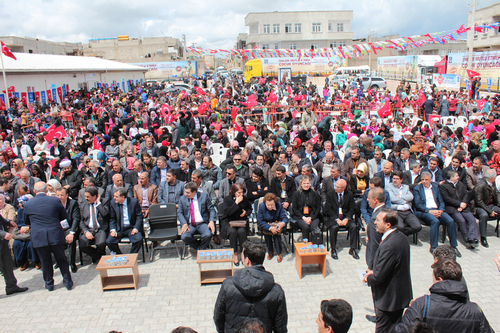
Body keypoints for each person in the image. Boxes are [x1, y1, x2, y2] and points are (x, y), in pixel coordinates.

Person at [394, 259, 493, 333]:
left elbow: (401, 330)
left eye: (433, 278)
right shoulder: (474, 310)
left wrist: (411, 309)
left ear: (440, 279)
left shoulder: (422, 305)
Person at [213, 241, 287, 333]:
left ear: (247, 260)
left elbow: (218, 316)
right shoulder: (276, 291)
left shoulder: (228, 285)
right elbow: (280, 326)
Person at [363, 209, 412, 332]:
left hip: (389, 300)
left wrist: (368, 277)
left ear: (388, 225)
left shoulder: (389, 245)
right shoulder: (401, 237)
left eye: (378, 220)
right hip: (398, 296)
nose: (375, 223)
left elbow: (378, 277)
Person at [23, 181, 73, 291]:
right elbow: (63, 216)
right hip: (54, 233)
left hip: (38, 236)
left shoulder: (27, 204)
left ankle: (49, 284)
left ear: (34, 191)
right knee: (61, 259)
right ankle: (67, 282)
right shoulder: (55, 200)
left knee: (45, 262)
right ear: (46, 190)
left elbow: (26, 221)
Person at [414, 172, 460, 256]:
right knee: (435, 221)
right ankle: (434, 246)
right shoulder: (417, 188)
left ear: (430, 180)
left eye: (426, 180)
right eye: (423, 180)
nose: (424, 181)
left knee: (450, 221)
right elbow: (418, 204)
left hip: (437, 210)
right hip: (425, 211)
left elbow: (441, 201)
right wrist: (430, 211)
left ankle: (453, 246)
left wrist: (441, 210)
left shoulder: (435, 187)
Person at [439, 170, 478, 249]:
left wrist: (463, 204)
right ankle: (467, 239)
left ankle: (472, 238)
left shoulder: (460, 184)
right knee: (461, 221)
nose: (458, 177)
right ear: (452, 177)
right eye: (457, 176)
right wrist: (459, 204)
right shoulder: (443, 186)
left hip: (463, 206)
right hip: (452, 208)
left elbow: (466, 194)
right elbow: (447, 199)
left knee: (471, 219)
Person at [323, 179, 358, 260]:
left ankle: (353, 249)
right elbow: (328, 209)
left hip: (345, 217)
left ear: (344, 188)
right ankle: (334, 249)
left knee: (354, 227)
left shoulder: (349, 194)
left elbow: (352, 208)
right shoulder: (330, 194)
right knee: (334, 228)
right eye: (335, 186)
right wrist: (336, 219)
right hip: (334, 218)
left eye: (337, 187)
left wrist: (347, 218)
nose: (335, 188)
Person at [178, 182, 216, 250]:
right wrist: (184, 223)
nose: (185, 194)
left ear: (194, 192)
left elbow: (212, 210)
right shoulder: (182, 199)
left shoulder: (204, 197)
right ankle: (201, 248)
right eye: (185, 192)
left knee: (208, 235)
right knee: (184, 237)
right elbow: (179, 213)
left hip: (202, 223)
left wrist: (211, 221)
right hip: (189, 224)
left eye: (188, 192)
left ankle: (201, 250)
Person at [220, 183, 252, 266]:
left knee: (241, 232)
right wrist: (236, 203)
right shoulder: (227, 199)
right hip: (229, 221)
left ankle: (242, 252)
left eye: (242, 192)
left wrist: (246, 212)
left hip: (240, 221)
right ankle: (234, 253)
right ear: (234, 192)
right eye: (239, 193)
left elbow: (249, 208)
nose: (241, 194)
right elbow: (227, 213)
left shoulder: (244, 199)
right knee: (232, 232)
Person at [106, 187, 144, 254]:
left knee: (138, 239)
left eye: (116, 196)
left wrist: (136, 228)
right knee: (109, 241)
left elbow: (139, 217)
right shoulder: (113, 203)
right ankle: (120, 256)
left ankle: (132, 256)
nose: (114, 198)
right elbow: (112, 218)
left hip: (131, 228)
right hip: (119, 228)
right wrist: (113, 229)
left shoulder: (133, 202)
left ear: (122, 197)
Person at [386, 170, 422, 237]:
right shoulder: (389, 186)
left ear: (401, 180)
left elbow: (411, 197)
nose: (395, 180)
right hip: (396, 211)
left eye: (397, 179)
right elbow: (392, 198)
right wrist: (405, 202)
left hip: (407, 212)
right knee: (400, 227)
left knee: (418, 227)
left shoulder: (406, 187)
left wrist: (400, 196)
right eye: (394, 178)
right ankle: (401, 237)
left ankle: (403, 235)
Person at [0, 212, 29, 295]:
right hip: (2, 237)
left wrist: (7, 222)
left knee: (7, 265)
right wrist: (2, 234)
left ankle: (11, 286)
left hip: (2, 243)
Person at [79, 187, 109, 263]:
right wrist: (86, 231)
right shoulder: (83, 205)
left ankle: (99, 257)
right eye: (85, 196)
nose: (86, 198)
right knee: (83, 246)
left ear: (95, 196)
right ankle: (99, 256)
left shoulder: (104, 202)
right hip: (89, 229)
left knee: (101, 243)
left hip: (100, 229)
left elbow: (105, 214)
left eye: (88, 197)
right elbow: (81, 221)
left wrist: (98, 203)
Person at [257, 192, 288, 263]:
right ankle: (270, 251)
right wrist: (270, 228)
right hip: (266, 225)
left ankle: (279, 252)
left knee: (276, 233)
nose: (270, 207)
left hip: (276, 224)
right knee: (268, 234)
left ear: (275, 203)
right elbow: (259, 220)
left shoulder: (279, 205)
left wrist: (282, 223)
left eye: (272, 205)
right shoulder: (261, 206)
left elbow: (284, 218)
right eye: (268, 205)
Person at [473, 169, 500, 248]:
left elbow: (497, 194)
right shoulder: (480, 185)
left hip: (491, 205)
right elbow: (479, 201)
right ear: (492, 178)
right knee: (484, 215)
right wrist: (490, 211)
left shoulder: (492, 183)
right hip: (480, 207)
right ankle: (483, 237)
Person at [56, 187, 80, 273]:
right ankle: (60, 260)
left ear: (66, 195)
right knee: (53, 240)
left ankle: (72, 263)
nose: (59, 197)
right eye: (58, 195)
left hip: (69, 227)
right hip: (58, 228)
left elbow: (76, 218)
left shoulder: (73, 203)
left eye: (61, 195)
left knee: (71, 240)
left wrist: (72, 232)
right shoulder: (55, 203)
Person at [365, 188, 389, 271]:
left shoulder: (374, 219)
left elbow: (374, 244)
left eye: (369, 198)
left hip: (378, 261)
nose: (367, 200)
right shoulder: (388, 211)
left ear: (375, 200)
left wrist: (371, 266)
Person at [291, 176, 321, 241]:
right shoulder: (296, 194)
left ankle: (315, 244)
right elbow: (294, 209)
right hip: (300, 216)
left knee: (314, 227)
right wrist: (303, 217)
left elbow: (318, 208)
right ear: (301, 184)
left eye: (308, 183)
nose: (306, 185)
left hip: (313, 216)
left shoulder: (315, 194)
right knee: (305, 227)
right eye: (304, 183)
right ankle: (306, 244)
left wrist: (311, 218)